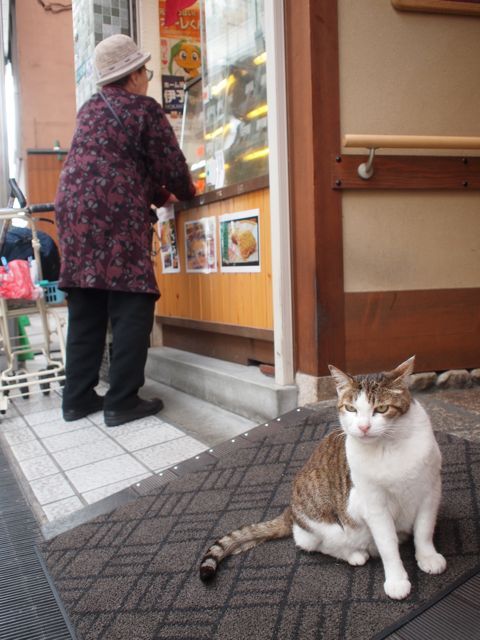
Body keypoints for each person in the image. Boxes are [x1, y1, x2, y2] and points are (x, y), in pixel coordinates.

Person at [55, 34, 196, 427]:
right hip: (114, 212)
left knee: (87, 305)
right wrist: (184, 192)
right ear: (133, 75)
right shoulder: (143, 109)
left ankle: (78, 397)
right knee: (133, 300)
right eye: (145, 72)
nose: (147, 79)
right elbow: (170, 164)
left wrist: (154, 191)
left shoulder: (89, 110)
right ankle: (122, 400)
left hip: (73, 210)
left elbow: (115, 162)